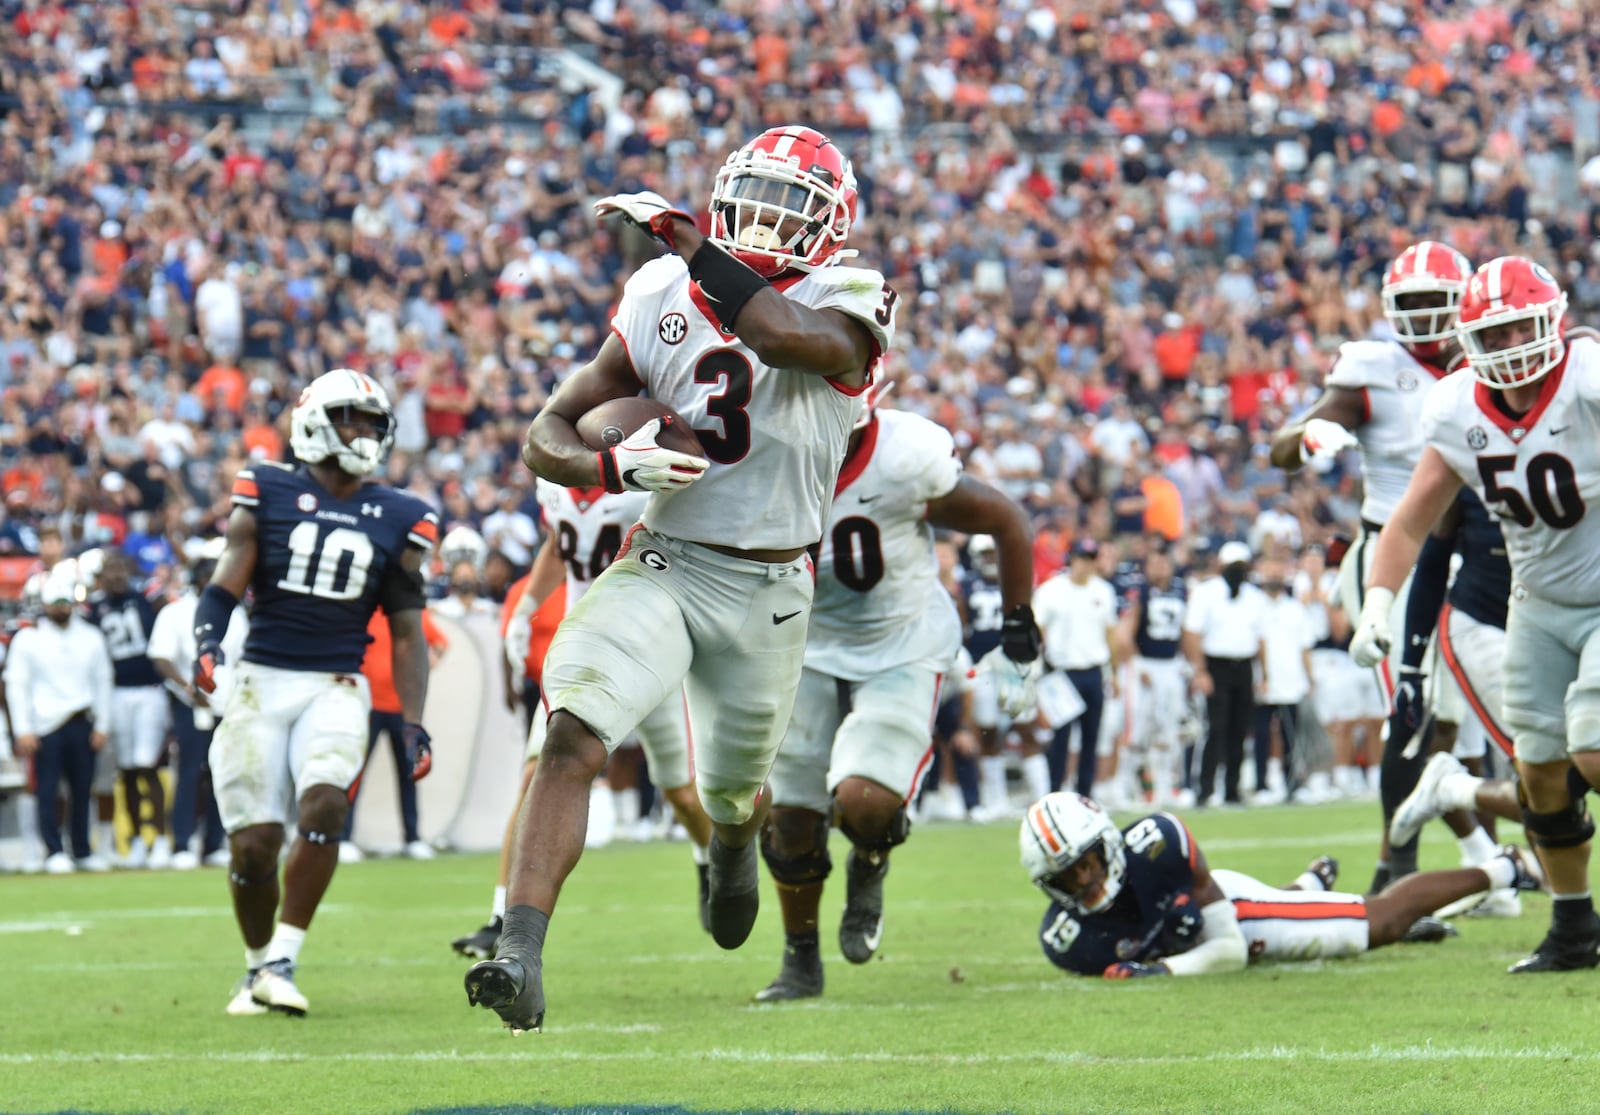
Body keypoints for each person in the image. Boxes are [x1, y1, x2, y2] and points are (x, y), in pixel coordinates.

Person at [464, 125, 899, 1034]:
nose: (772, 219)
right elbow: (550, 431)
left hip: (774, 584)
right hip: (668, 556)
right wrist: (607, 473)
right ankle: (521, 951)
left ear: (832, 223)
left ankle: (733, 842)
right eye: (761, 195)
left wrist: (698, 251)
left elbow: (782, 338)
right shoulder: (658, 288)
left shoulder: (851, 295)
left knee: (735, 791)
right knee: (573, 730)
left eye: (795, 204)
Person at [1350, 256, 1600, 971]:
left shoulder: (1586, 378)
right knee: (1542, 773)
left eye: (1522, 325)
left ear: (1551, 320)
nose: (1512, 346)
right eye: (1494, 334)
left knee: (1593, 754)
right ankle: (1575, 926)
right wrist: (1376, 605)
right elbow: (1407, 524)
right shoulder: (1458, 408)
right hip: (1537, 606)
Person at [754, 387, 1039, 1001]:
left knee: (865, 802)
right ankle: (800, 958)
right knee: (790, 819)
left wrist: (1019, 634)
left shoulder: (905, 455)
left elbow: (1007, 521)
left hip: (901, 641)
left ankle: (872, 860)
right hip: (802, 644)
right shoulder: (763, 451)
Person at [197, 368, 439, 1015]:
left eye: (371, 422)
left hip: (337, 683)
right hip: (259, 681)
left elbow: (409, 632)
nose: (362, 432)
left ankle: (283, 956)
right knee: (253, 843)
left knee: (326, 801)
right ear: (312, 420)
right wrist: (206, 639)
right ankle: (255, 968)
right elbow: (227, 577)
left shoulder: (401, 514)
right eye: (349, 418)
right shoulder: (268, 487)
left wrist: (414, 719)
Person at [1270, 242, 1472, 884]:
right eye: (1408, 304)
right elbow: (1287, 446)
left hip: (1477, 554)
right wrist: (1308, 437)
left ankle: (1483, 858)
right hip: (1394, 554)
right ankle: (1396, 869)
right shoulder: (1373, 367)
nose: (1419, 317)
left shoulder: (1487, 360)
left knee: (1455, 721)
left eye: (1431, 303)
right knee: (1412, 710)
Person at [452, 477, 716, 961]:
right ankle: (501, 918)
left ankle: (707, 860)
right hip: (581, 653)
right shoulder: (556, 478)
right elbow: (559, 541)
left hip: (649, 648)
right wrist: (527, 606)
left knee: (680, 791)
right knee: (536, 776)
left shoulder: (645, 478)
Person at [1020, 792, 1544, 978]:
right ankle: (1306, 885)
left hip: (1235, 919)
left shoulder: (1158, 842)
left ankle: (1505, 868)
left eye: (1087, 863)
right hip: (1216, 918)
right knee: (1287, 905)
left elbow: (1228, 950)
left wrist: (1159, 971)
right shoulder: (1063, 939)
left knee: (1381, 919)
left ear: (1107, 842)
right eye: (1067, 877)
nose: (1084, 881)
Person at [1383, 488, 1523, 916]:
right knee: (1553, 777)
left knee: (1564, 778)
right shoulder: (1463, 445)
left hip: (1557, 616)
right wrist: (1410, 665)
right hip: (1485, 619)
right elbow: (1426, 548)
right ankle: (1570, 916)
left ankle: (1456, 793)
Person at [5, 571, 113, 873]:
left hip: (82, 721)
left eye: (65, 603)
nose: (61, 609)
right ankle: (53, 850)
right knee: (48, 790)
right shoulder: (29, 638)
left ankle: (82, 849)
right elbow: (17, 684)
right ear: (45, 605)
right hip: (45, 725)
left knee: (82, 790)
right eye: (56, 604)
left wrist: (103, 724)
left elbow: (103, 681)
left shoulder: (91, 637)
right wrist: (23, 728)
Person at [147, 554, 249, 870]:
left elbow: (241, 658)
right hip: (189, 703)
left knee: (223, 772)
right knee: (189, 772)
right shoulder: (175, 612)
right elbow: (161, 657)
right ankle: (181, 843)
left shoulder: (237, 614)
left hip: (226, 703)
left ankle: (214, 843)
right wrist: (188, 687)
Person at [341, 606, 450, 862]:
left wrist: (430, 662)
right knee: (354, 772)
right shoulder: (366, 609)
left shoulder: (412, 612)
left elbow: (441, 642)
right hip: (366, 704)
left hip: (402, 708)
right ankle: (343, 838)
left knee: (408, 773)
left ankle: (412, 838)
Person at [86, 549, 172, 868]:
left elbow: (168, 618)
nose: (117, 574)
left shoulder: (147, 598)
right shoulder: (94, 608)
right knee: (128, 770)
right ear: (101, 575)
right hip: (116, 692)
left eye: (121, 568)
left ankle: (160, 839)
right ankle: (136, 839)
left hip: (149, 690)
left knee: (148, 765)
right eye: (111, 569)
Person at [1182, 541, 1268, 806]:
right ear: (1220, 566)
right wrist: (1200, 671)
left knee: (1239, 730)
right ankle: (1204, 789)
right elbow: (1192, 634)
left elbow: (1261, 638)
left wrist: (1264, 674)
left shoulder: (1255, 596)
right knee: (1214, 728)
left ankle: (1232, 790)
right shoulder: (1205, 592)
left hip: (1243, 666)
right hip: (1215, 666)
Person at [1031, 538, 1117, 800]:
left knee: (1091, 739)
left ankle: (1085, 796)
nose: (1086, 564)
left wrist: (1111, 672)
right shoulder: (1051, 590)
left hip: (1093, 670)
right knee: (1060, 740)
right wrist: (1036, 672)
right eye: (1082, 558)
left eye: (1091, 559)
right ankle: (1054, 794)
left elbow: (1109, 635)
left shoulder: (1103, 591)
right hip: (1061, 672)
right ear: (1072, 559)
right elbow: (1038, 633)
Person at [1114, 542, 1190, 809]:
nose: (1160, 568)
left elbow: (1186, 630)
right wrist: (1136, 661)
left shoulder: (1181, 590)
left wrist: (1187, 661)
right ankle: (1121, 787)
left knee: (1168, 732)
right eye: (1155, 563)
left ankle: (1163, 789)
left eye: (1164, 563)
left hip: (1171, 665)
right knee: (1136, 731)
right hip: (1145, 664)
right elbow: (1124, 632)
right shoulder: (1140, 592)